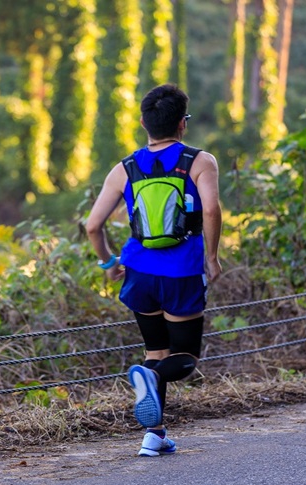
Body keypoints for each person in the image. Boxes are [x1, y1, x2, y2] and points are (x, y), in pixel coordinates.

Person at [85, 83, 222, 457]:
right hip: (182, 271)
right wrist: (212, 257)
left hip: (137, 271)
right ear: (182, 124)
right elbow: (210, 210)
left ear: (144, 122)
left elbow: (93, 226)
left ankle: (154, 435)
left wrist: (109, 263)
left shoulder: (125, 167)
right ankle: (153, 382)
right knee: (185, 359)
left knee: (156, 350)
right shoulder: (199, 161)